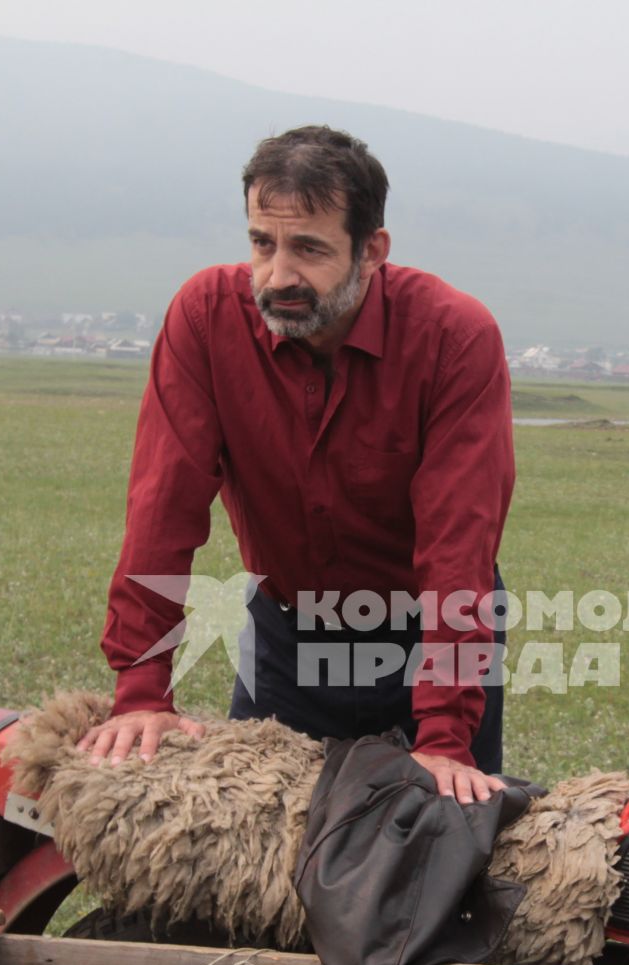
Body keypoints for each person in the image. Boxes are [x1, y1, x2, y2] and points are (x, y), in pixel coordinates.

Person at [79, 125, 515, 804]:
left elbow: (457, 546)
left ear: (372, 251)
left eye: (309, 248)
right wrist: (142, 690)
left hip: (426, 638)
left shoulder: (454, 338)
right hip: (286, 638)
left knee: (441, 863)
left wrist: (443, 738)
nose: (278, 276)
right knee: (253, 864)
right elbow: (165, 510)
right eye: (262, 243)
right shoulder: (205, 319)